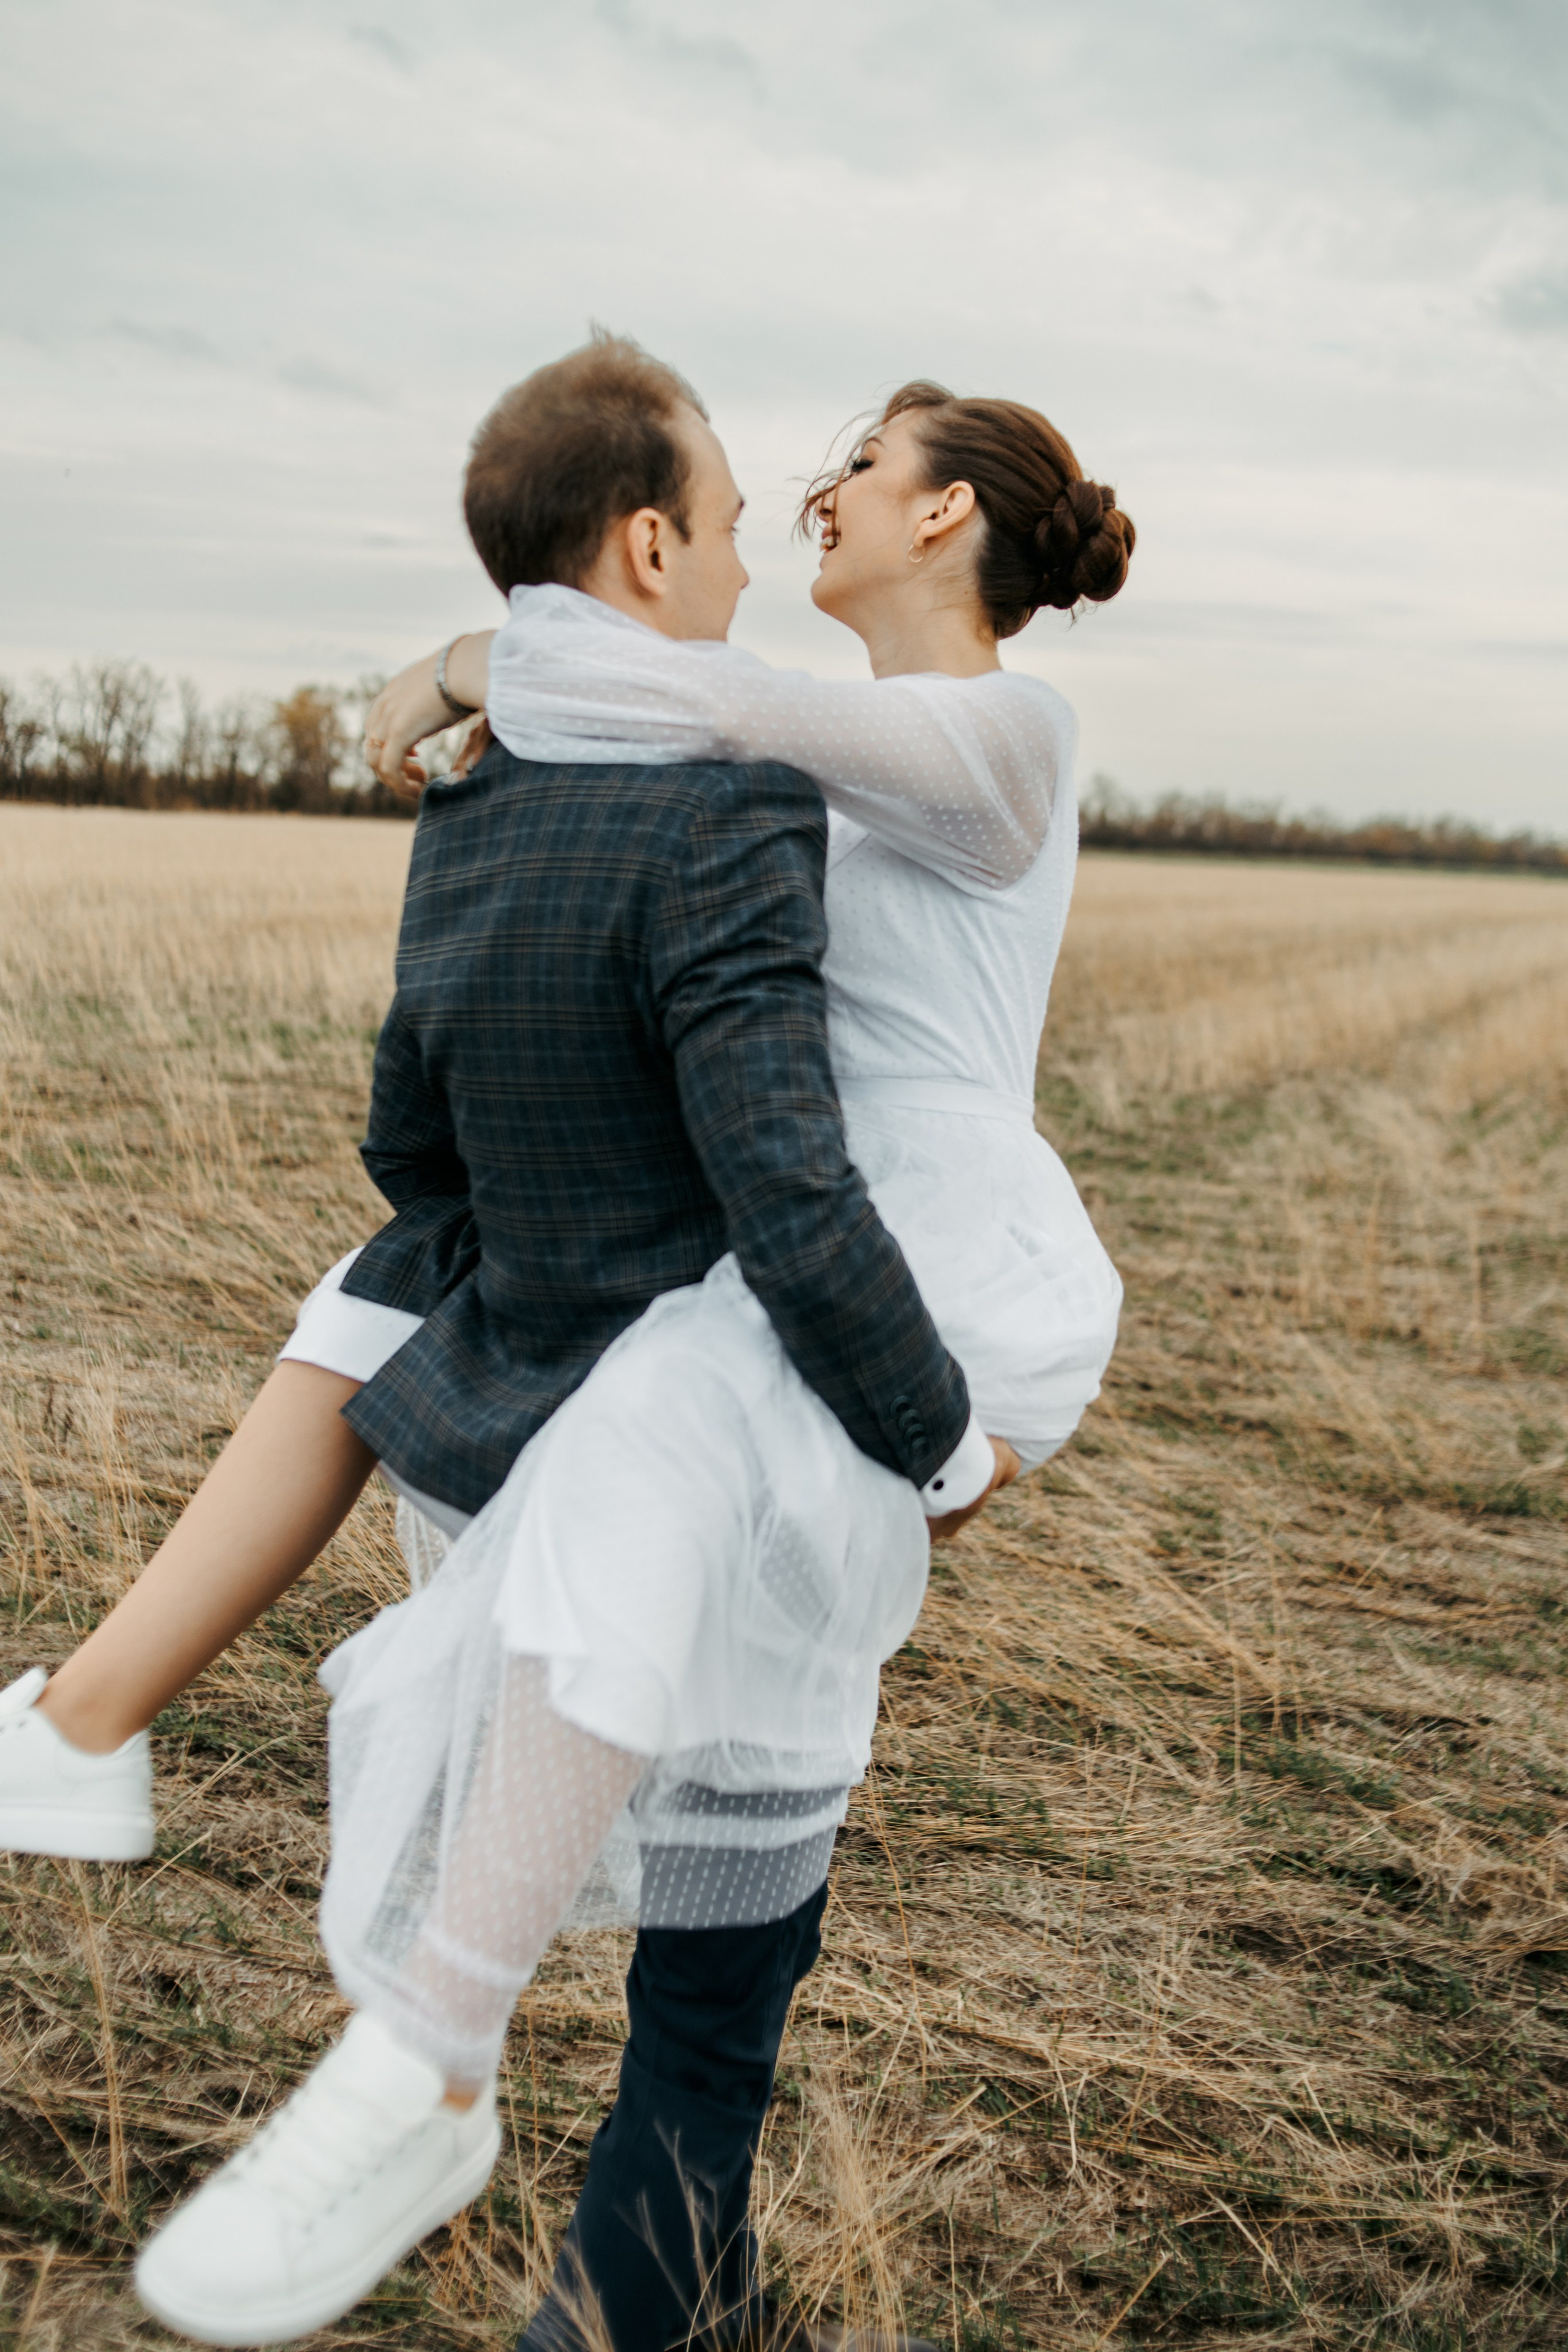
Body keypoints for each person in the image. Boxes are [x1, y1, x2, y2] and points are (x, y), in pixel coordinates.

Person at [0, 335, 1132, 2348]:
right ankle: (665, 2250)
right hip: (759, 1251)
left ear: (948, 511)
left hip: (915, 1260)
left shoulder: (1008, 739)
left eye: (869, 459)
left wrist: (454, 666)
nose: (826, 486)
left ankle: (475, 2092)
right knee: (690, 1663)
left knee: (690, 1595)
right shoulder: (784, 748)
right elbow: (656, 739)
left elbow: (663, 683)